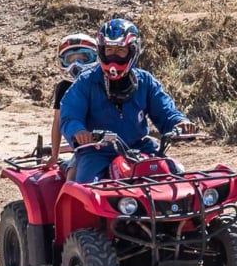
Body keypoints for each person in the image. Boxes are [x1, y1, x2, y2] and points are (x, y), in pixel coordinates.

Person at [59, 17, 195, 184]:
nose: (113, 56)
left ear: (132, 51)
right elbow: (69, 114)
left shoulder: (145, 81)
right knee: (88, 187)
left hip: (139, 147)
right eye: (109, 50)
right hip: (98, 152)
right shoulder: (86, 82)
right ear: (101, 51)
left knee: (176, 175)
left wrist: (180, 122)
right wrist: (79, 131)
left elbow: (166, 110)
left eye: (120, 50)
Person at [45, 32, 98, 172]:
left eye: (84, 58)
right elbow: (57, 121)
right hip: (81, 146)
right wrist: (54, 156)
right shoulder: (63, 87)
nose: (76, 64)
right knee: (74, 172)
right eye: (70, 59)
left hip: (105, 142)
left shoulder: (100, 83)